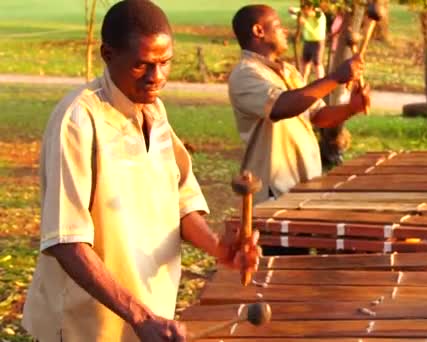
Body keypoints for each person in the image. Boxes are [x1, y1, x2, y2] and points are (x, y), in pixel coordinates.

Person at [21, 1, 259, 341]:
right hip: (87, 325)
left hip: (147, 313)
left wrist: (219, 247)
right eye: (142, 65)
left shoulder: (154, 111)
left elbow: (178, 202)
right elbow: (66, 240)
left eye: (165, 63)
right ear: (107, 54)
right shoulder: (77, 120)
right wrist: (139, 315)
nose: (156, 77)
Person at [228, 4, 369, 205]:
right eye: (277, 25)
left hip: (305, 186)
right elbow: (281, 107)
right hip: (274, 191)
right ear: (259, 31)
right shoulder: (245, 74)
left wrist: (351, 108)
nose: (284, 30)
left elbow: (318, 115)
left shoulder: (289, 71)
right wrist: (336, 77)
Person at [297, 0, 327, 82]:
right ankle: (303, 81)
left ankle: (321, 83)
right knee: (305, 62)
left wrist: (304, 22)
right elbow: (300, 12)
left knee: (317, 63)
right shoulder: (308, 15)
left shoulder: (319, 14)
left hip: (317, 41)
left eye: (306, 8)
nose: (304, 11)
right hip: (308, 41)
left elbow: (315, 14)